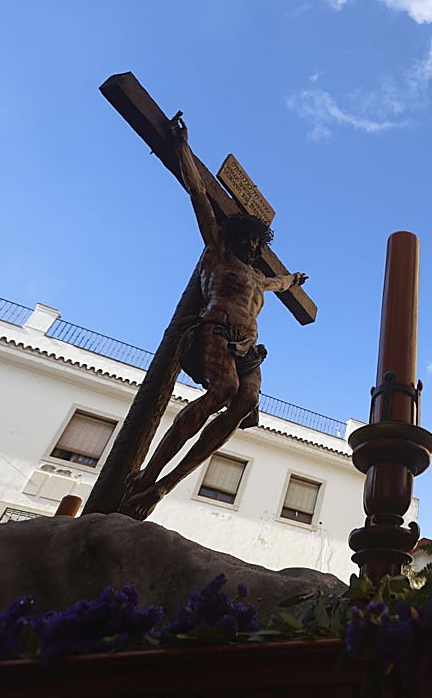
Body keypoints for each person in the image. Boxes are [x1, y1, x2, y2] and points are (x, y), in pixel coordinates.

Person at [121, 114, 307, 519]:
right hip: (215, 331)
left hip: (249, 349)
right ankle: (150, 472)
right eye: (249, 236)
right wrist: (182, 148)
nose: (254, 243)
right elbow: (200, 195)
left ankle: (166, 484)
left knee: (245, 401)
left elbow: (279, 284)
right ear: (236, 235)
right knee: (221, 392)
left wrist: (292, 280)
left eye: (258, 241)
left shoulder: (259, 275)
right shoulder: (219, 252)